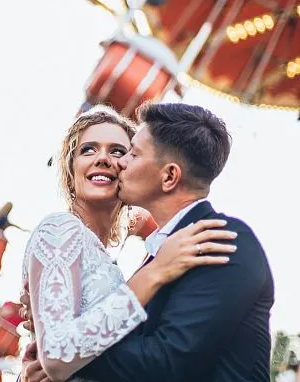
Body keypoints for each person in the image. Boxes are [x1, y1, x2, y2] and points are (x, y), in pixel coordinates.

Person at [21, 102, 274, 382]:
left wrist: (62, 352)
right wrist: (56, 341)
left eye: (129, 153)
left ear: (169, 176)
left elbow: (167, 362)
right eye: (88, 149)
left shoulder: (219, 239)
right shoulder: (159, 257)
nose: (118, 163)